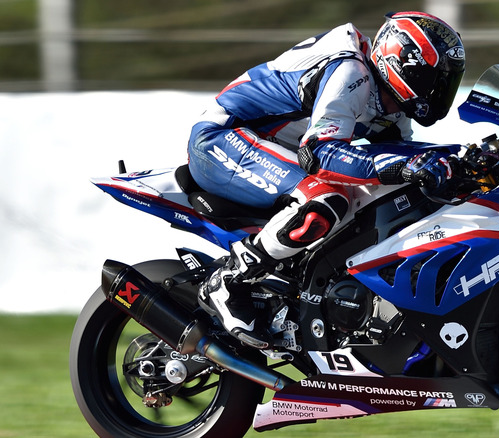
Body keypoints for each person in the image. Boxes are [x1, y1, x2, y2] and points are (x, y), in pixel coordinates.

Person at [188, 11, 466, 348]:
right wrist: (402, 166)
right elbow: (319, 154)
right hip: (223, 139)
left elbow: (404, 152)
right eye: (431, 79)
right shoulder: (353, 72)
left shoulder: (389, 103)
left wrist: (462, 158)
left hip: (274, 150)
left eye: (445, 82)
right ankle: (228, 279)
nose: (438, 90)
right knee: (325, 199)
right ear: (400, 64)